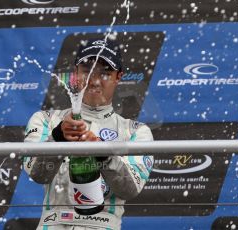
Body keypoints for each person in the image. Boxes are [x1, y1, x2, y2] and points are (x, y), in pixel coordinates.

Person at [23, 37, 154, 230]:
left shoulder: (136, 131)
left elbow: (130, 188)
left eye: (105, 73)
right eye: (87, 71)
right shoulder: (45, 120)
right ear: (75, 73)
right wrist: (58, 137)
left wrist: (103, 154)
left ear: (119, 77)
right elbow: (37, 174)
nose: (94, 81)